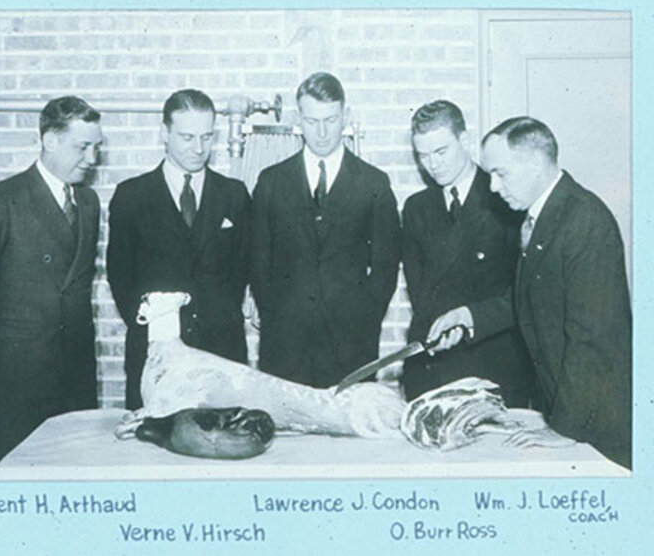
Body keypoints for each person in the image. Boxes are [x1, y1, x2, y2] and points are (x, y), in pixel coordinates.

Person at [427, 116, 632, 468]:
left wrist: (566, 429)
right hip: (568, 408)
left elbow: (593, 337)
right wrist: (470, 316)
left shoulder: (584, 221)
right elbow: (533, 297)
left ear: (536, 163)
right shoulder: (542, 214)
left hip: (598, 423)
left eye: (501, 173)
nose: (492, 187)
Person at [0, 96, 103, 469]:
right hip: (16, 383)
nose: (92, 158)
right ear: (50, 140)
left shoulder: (89, 203)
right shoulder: (0, 201)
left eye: (96, 147)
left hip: (76, 379)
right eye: (82, 147)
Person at [251, 72, 401, 388]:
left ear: (345, 116)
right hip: (285, 346)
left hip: (351, 346)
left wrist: (365, 319)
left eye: (330, 120)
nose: (321, 132)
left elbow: (386, 266)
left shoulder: (373, 183)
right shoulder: (271, 182)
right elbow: (258, 261)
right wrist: (275, 317)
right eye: (311, 120)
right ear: (298, 118)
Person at [107, 89, 251, 409]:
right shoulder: (131, 197)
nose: (198, 148)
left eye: (206, 137)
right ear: (164, 133)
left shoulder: (234, 195)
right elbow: (120, 276)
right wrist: (156, 327)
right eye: (187, 137)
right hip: (155, 358)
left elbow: (241, 272)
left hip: (221, 356)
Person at [401, 101, 533, 405]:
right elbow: (421, 295)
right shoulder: (416, 208)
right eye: (423, 155)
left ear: (465, 141)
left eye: (441, 151)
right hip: (431, 369)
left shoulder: (504, 198)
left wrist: (468, 321)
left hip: (493, 368)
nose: (432, 164)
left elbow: (523, 294)